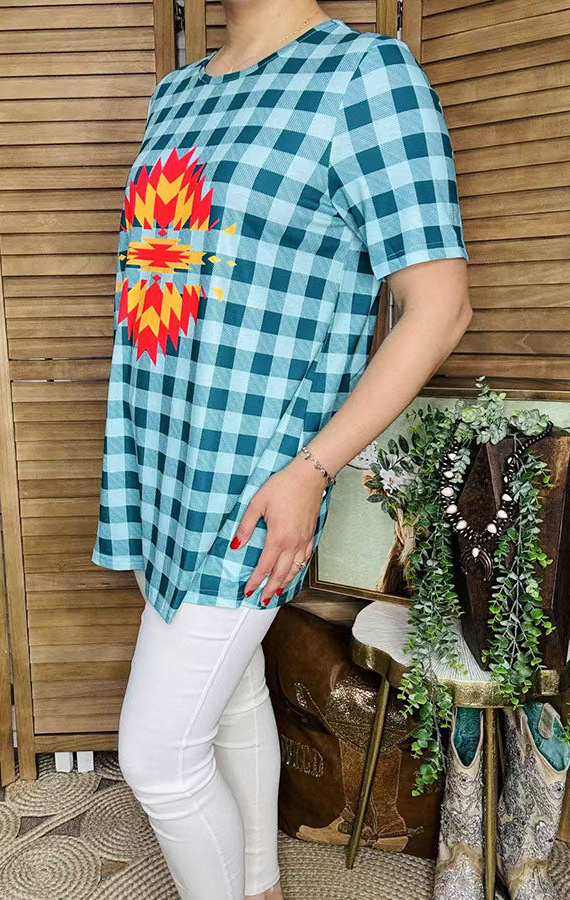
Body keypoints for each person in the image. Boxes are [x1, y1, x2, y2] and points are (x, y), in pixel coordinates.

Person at [92, 1, 472, 897]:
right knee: (229, 697)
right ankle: (262, 883)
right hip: (158, 458)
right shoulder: (176, 94)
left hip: (251, 476)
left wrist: (312, 470)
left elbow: (440, 307)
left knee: (157, 757)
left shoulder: (366, 77)